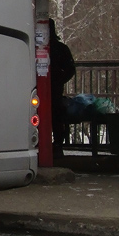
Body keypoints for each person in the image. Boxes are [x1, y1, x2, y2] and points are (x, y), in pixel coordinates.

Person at [48, 18, 76, 159]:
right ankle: (58, 145)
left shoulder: (35, 48)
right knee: (57, 117)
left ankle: (47, 144)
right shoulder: (61, 48)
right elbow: (71, 69)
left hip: (39, 90)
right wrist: (60, 80)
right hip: (56, 90)